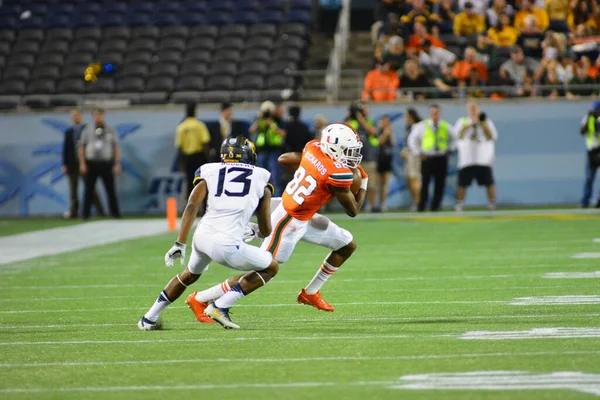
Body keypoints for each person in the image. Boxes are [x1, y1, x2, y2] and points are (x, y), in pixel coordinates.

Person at [138, 137, 279, 330]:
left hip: (202, 237)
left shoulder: (210, 170)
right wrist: (256, 230)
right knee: (271, 267)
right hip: (226, 244)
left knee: (188, 275)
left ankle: (149, 318)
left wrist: (180, 243)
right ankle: (220, 306)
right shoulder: (262, 176)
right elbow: (265, 228)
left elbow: (192, 205)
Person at [408, 104, 458, 212]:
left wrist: (450, 149)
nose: (435, 115)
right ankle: (422, 205)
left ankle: (435, 206)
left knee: (440, 183)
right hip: (427, 158)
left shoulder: (445, 126)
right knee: (425, 182)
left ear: (440, 114)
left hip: (441, 157)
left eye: (437, 113)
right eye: (433, 113)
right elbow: (412, 140)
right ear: (429, 114)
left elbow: (455, 139)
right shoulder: (422, 126)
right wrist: (418, 152)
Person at [453, 101, 499, 212]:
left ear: (478, 109)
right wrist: (470, 125)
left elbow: (492, 136)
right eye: (471, 108)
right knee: (462, 183)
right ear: (467, 110)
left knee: (489, 182)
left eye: (475, 108)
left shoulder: (486, 121)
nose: (473, 110)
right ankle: (460, 204)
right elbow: (457, 136)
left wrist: (481, 124)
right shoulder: (462, 121)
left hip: (483, 159)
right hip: (467, 159)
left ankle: (492, 203)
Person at [78, 108, 121, 220]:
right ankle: (85, 214)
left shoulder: (110, 130)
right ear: (93, 117)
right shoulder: (87, 130)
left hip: (106, 162)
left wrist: (116, 163)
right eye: (96, 115)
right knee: (88, 190)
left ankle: (115, 213)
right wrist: (82, 163)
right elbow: (81, 147)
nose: (98, 118)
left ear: (103, 116)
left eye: (100, 115)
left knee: (110, 190)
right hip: (91, 163)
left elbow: (115, 147)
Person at [62, 109, 104, 219]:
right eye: (73, 116)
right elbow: (66, 149)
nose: (75, 117)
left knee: (91, 188)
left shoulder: (88, 130)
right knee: (73, 190)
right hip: (72, 165)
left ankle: (100, 210)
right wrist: (64, 164)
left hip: (86, 163)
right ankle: (74, 211)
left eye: (77, 115)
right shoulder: (69, 132)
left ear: (81, 116)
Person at [346, 102, 378, 211]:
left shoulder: (370, 122)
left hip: (369, 158)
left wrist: (361, 119)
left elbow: (373, 131)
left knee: (371, 185)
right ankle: (352, 206)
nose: (364, 111)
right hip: (355, 161)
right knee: (352, 185)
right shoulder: (353, 123)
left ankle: (371, 206)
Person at [250, 103, 286, 196]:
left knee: (275, 177)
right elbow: (251, 130)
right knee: (260, 177)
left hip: (274, 151)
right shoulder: (259, 120)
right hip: (262, 151)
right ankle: (261, 200)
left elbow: (283, 134)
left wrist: (272, 125)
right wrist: (259, 119)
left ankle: (275, 198)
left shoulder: (277, 120)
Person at [176, 103, 211, 197]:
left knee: (189, 184)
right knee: (202, 183)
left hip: (188, 158)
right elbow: (205, 143)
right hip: (199, 157)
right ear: (195, 112)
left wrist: (180, 163)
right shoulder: (200, 125)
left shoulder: (181, 127)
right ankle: (203, 208)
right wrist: (208, 160)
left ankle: (190, 208)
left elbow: (179, 147)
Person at [401, 108, 423, 211]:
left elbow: (418, 142)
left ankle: (418, 202)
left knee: (415, 178)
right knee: (409, 179)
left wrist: (416, 152)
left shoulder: (418, 126)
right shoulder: (410, 127)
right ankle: (415, 200)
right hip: (409, 155)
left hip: (414, 155)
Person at [579, 104, 600, 208]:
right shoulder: (588, 118)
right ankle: (585, 200)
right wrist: (589, 118)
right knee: (589, 177)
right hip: (592, 151)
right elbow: (582, 131)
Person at [375, 115, 396, 211]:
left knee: (385, 184)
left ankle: (382, 203)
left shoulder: (390, 133)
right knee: (376, 184)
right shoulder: (377, 131)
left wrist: (390, 134)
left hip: (387, 160)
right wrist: (385, 133)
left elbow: (393, 144)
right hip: (378, 159)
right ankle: (374, 204)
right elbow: (379, 142)